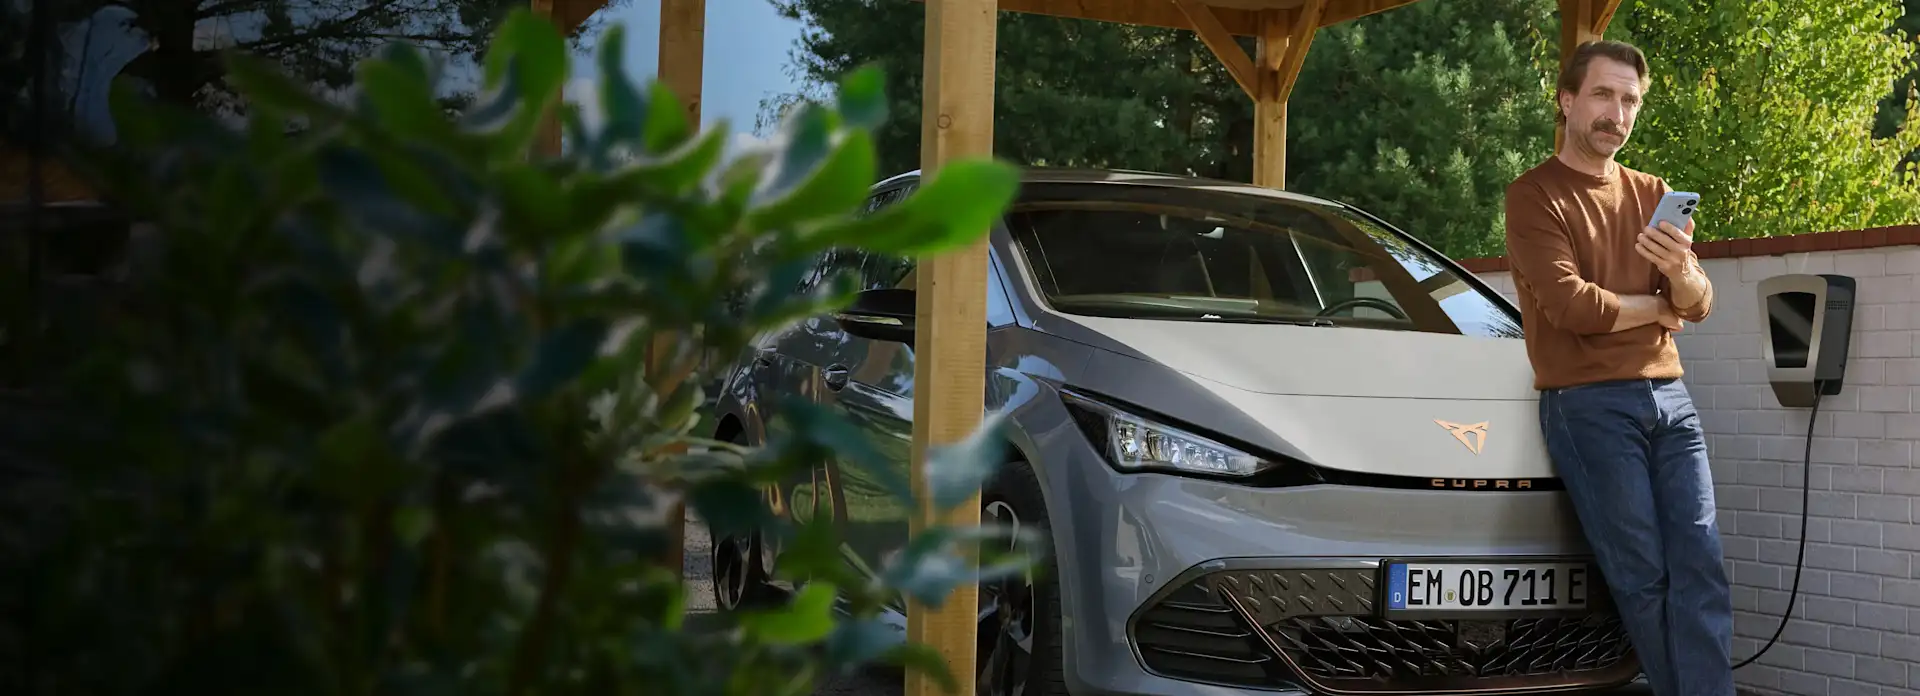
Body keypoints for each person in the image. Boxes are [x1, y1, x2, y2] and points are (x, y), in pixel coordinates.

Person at [1502, 40, 1732, 696]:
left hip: (1671, 401)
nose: (1617, 113)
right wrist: (1658, 307)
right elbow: (1573, 307)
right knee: (1643, 577)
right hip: (1588, 404)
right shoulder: (1534, 195)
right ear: (1567, 99)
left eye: (1630, 100)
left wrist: (1680, 274)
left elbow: (1700, 303)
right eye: (1603, 95)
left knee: (1702, 567)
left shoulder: (1654, 193)